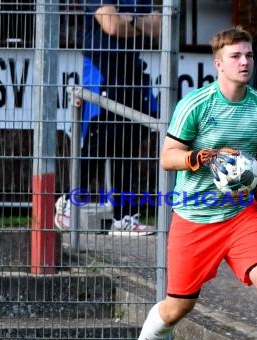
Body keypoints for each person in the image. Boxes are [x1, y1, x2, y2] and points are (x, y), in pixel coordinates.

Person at [113, 26, 257, 340]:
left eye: (249, 55)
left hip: (239, 214)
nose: (245, 62)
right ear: (218, 63)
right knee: (178, 307)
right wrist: (200, 157)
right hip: (193, 215)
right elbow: (168, 157)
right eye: (236, 56)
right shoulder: (196, 104)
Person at [54, 0, 161, 234]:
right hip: (103, 72)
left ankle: (124, 217)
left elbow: (159, 27)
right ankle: (69, 202)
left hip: (132, 73)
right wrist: (137, 25)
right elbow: (112, 26)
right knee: (99, 141)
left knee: (129, 144)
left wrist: (130, 20)